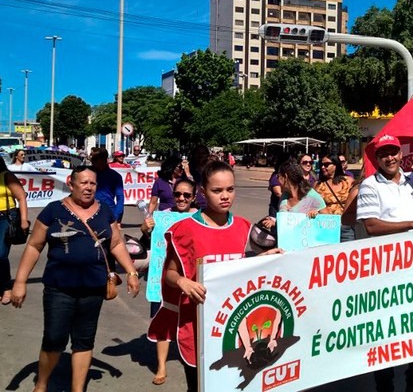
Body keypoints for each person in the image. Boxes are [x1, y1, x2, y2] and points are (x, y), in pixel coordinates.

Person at [147, 161, 282, 392]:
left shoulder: (242, 227)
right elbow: (169, 273)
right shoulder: (185, 229)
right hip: (196, 325)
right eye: (217, 190)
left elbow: (244, 270)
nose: (225, 196)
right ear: (202, 192)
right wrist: (182, 281)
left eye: (230, 189)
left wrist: (266, 257)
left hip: (233, 327)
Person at [10, 165, 140, 392]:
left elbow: (117, 244)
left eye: (93, 183)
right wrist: (20, 282)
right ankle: (41, 385)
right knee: (54, 339)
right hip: (59, 288)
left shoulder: (105, 212)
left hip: (93, 288)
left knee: (84, 340)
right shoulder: (53, 210)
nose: (89, 188)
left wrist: (131, 272)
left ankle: (77, 389)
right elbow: (34, 246)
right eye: (84, 183)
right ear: (71, 184)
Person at [357, 134, 413, 392]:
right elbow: (371, 226)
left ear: (401, 155)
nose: (389, 158)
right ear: (377, 158)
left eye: (393, 152)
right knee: (386, 335)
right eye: (384, 154)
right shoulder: (370, 185)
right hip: (385, 273)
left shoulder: (412, 181)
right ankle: (385, 386)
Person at [141, 178, 198, 386]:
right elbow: (149, 240)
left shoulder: (200, 218)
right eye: (177, 194)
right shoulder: (162, 217)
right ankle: (161, 365)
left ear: (194, 197)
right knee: (163, 320)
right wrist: (145, 228)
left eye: (186, 195)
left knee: (193, 322)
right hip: (163, 277)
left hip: (189, 278)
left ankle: (194, 360)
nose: (181, 199)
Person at [0, 157, 29, 305]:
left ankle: (6, 288)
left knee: (1, 254)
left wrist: (24, 220)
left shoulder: (6, 176)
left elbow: (21, 197)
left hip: (5, 218)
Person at [315, 154, 355, 242]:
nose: (322, 167)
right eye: (321, 165)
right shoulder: (318, 185)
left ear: (335, 165)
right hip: (326, 227)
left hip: (346, 226)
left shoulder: (348, 181)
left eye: (326, 165)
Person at [89, 148, 125, 224]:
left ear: (103, 160)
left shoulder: (115, 176)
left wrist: (115, 217)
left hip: (108, 213)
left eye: (95, 159)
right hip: (88, 212)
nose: (92, 162)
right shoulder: (87, 173)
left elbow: (120, 198)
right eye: (92, 159)